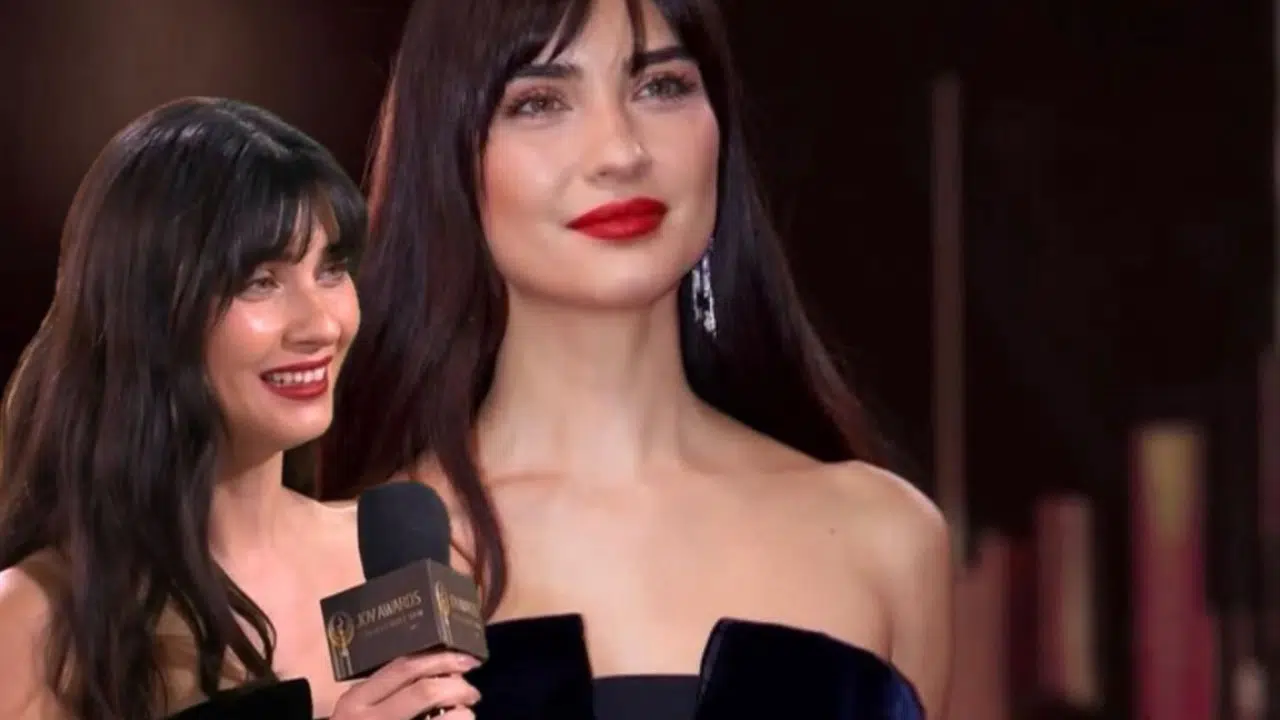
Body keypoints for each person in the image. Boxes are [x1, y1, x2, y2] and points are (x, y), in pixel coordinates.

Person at [323, 0, 954, 717]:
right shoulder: (358, 563)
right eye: (539, 102)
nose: (621, 151)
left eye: (661, 86)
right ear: (448, 159)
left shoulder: (886, 541)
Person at [0, 98, 480, 720]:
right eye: (261, 281)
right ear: (152, 314)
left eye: (330, 270)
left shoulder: (399, 558)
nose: (321, 325)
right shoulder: (36, 621)